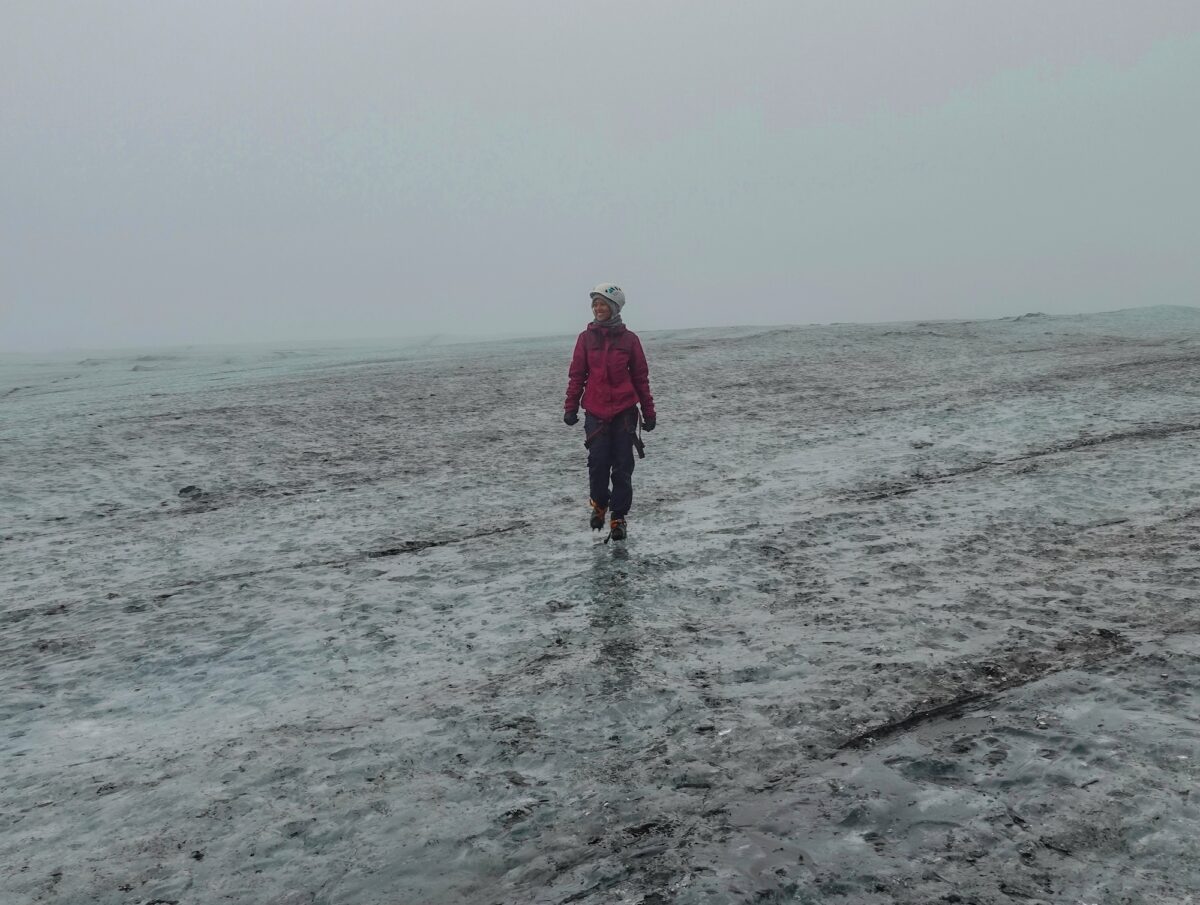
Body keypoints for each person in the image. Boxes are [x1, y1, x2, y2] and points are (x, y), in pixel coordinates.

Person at [563, 282, 656, 541]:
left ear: (615, 308)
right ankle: (599, 505)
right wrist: (571, 407)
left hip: (625, 412)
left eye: (603, 304)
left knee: (623, 467)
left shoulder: (630, 340)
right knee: (598, 463)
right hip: (596, 411)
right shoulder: (585, 339)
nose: (598, 308)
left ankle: (618, 518)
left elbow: (640, 377)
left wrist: (649, 412)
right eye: (595, 304)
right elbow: (577, 376)